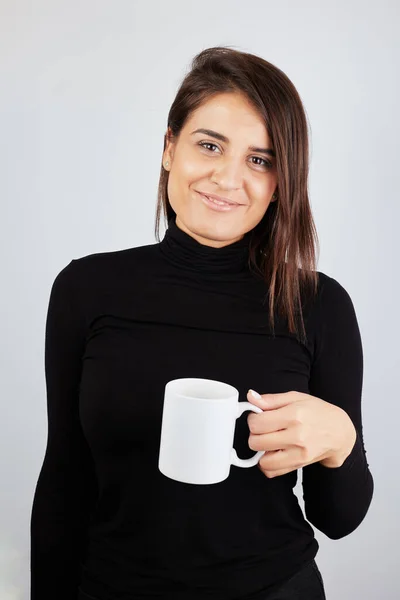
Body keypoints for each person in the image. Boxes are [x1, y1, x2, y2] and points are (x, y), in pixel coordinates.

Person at [30, 46, 374, 600]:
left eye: (260, 160)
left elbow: (339, 518)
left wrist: (340, 443)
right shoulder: (86, 289)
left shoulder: (319, 304)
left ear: (281, 180)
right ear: (170, 147)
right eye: (209, 145)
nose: (227, 177)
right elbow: (64, 477)